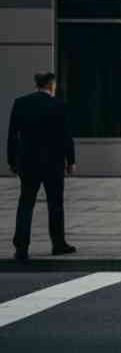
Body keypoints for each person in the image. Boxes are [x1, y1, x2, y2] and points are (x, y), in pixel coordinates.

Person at [7, 71, 76, 262]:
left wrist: (11, 161)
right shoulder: (59, 105)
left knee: (26, 203)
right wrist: (70, 161)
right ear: (51, 85)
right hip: (53, 163)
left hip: (28, 162)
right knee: (55, 204)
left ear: (36, 84)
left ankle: (21, 247)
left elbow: (12, 135)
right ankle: (58, 243)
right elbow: (66, 136)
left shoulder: (21, 103)